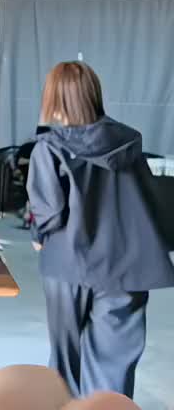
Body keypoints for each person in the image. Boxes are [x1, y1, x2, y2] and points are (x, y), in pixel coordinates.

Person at [27, 61, 174, 399]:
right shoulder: (127, 143)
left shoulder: (49, 147)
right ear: (93, 94)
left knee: (65, 364)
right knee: (113, 365)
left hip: (67, 266)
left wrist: (38, 237)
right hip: (125, 268)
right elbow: (147, 200)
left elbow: (49, 213)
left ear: (52, 98)